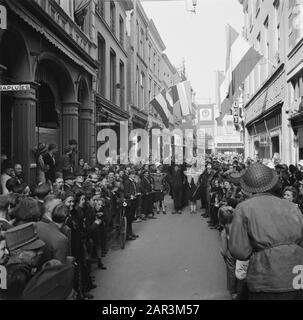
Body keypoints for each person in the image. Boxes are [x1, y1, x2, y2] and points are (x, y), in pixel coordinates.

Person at [228, 163, 303, 300]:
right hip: (297, 278)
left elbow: (239, 251)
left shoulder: (244, 208)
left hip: (265, 281)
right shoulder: (293, 207)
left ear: (248, 188)